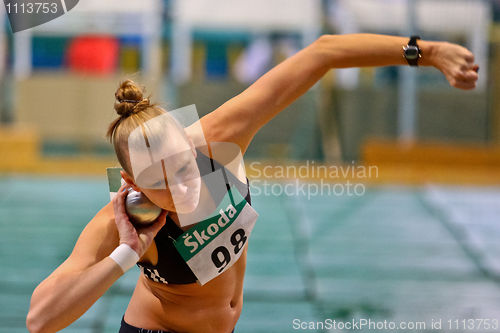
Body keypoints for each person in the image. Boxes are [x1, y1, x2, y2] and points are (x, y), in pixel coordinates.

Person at [26, 34, 478, 333]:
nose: (181, 187)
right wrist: (125, 254)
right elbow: (39, 319)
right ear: (131, 182)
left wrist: (427, 51)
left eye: (184, 167)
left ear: (191, 142)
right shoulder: (126, 217)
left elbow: (321, 53)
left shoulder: (219, 139)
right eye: (158, 182)